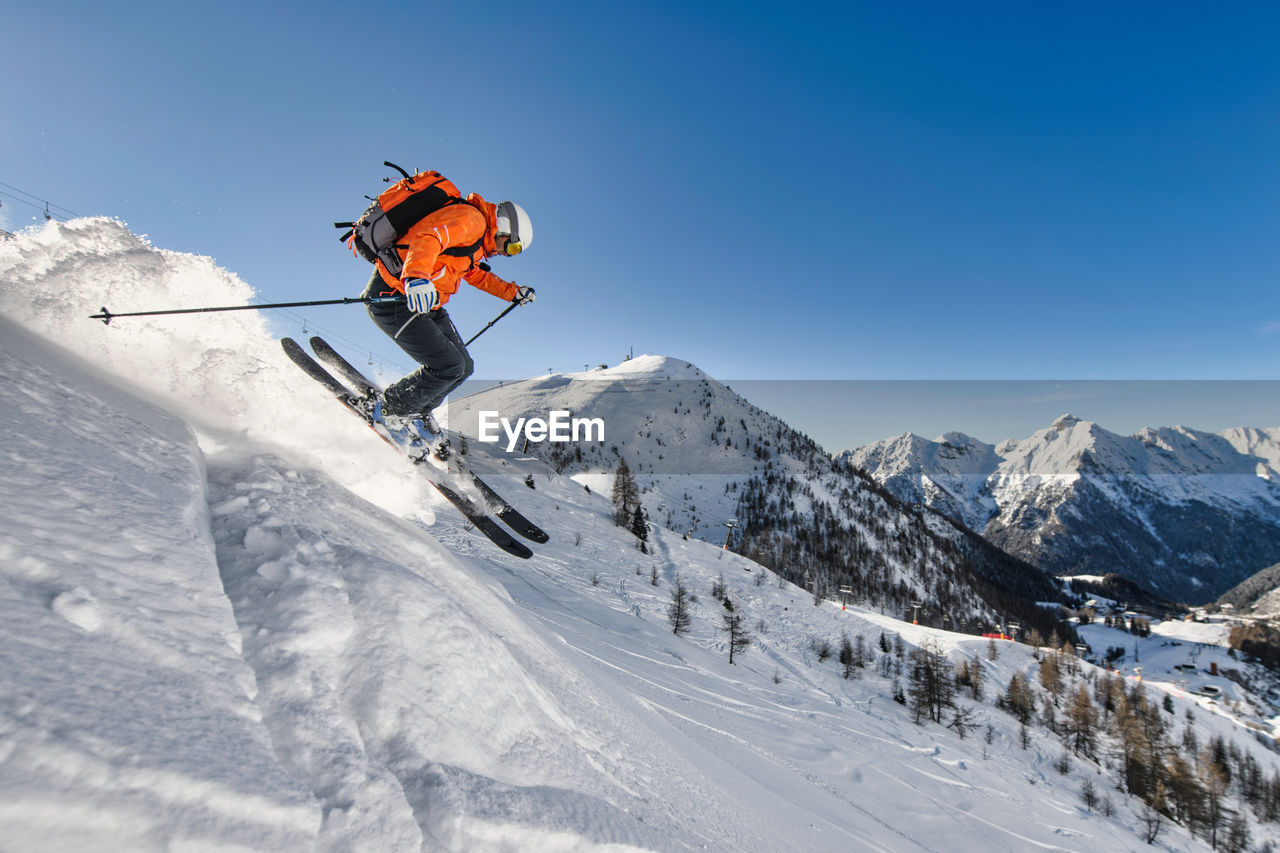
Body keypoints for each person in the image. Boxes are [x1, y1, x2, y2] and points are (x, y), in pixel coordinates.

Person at [360, 179, 535, 434]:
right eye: (512, 247)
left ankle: (416, 411)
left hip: (424, 304)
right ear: (505, 229)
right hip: (394, 297)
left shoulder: (475, 242)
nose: (506, 254)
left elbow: (475, 274)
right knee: (449, 366)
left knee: (463, 367)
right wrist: (417, 276)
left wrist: (512, 292)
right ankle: (387, 409)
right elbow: (429, 237)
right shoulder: (471, 220)